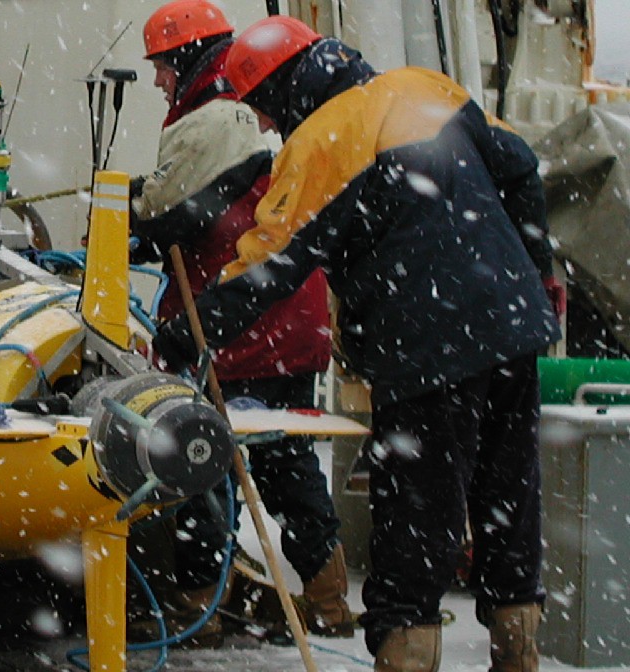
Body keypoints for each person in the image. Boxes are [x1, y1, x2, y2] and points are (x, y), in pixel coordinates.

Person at [153, 15, 562, 672]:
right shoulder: (425, 88)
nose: (264, 126)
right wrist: (537, 271)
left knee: (416, 517)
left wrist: (183, 334)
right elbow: (520, 167)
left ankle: (406, 653)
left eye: (261, 107)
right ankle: (519, 652)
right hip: (513, 325)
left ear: (283, 89)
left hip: (427, 343)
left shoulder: (323, 141)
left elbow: (268, 266)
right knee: (506, 498)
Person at [127, 0, 351, 646]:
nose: (157, 80)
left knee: (199, 463)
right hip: (289, 318)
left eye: (161, 67)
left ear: (185, 57)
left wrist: (123, 211)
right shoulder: (249, 111)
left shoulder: (214, 119)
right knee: (286, 462)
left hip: (240, 324)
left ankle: (203, 605)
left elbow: (169, 215)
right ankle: (328, 598)